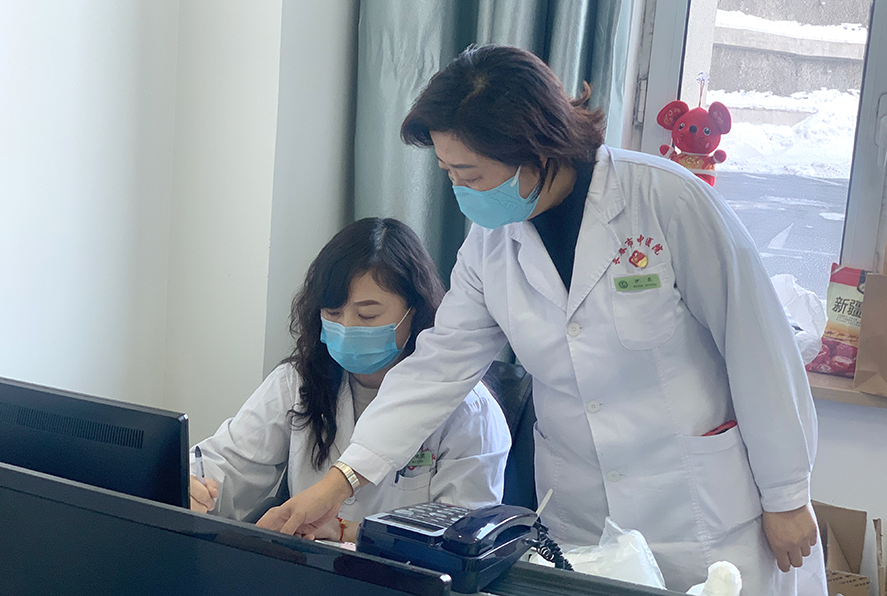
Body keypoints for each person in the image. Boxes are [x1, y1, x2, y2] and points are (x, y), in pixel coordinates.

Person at [257, 46, 825, 594]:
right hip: (583, 514)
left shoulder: (667, 202)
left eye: (470, 174)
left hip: (698, 508)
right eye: (448, 173)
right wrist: (341, 481)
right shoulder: (489, 247)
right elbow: (435, 369)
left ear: (536, 149)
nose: (459, 192)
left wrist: (787, 496)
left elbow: (759, 348)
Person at [191, 217, 511, 543]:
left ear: (413, 310)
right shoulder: (298, 382)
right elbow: (231, 462)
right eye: (333, 313)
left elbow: (463, 538)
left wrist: (348, 531)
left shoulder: (469, 411)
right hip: (307, 566)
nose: (347, 327)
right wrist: (194, 485)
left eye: (367, 315)